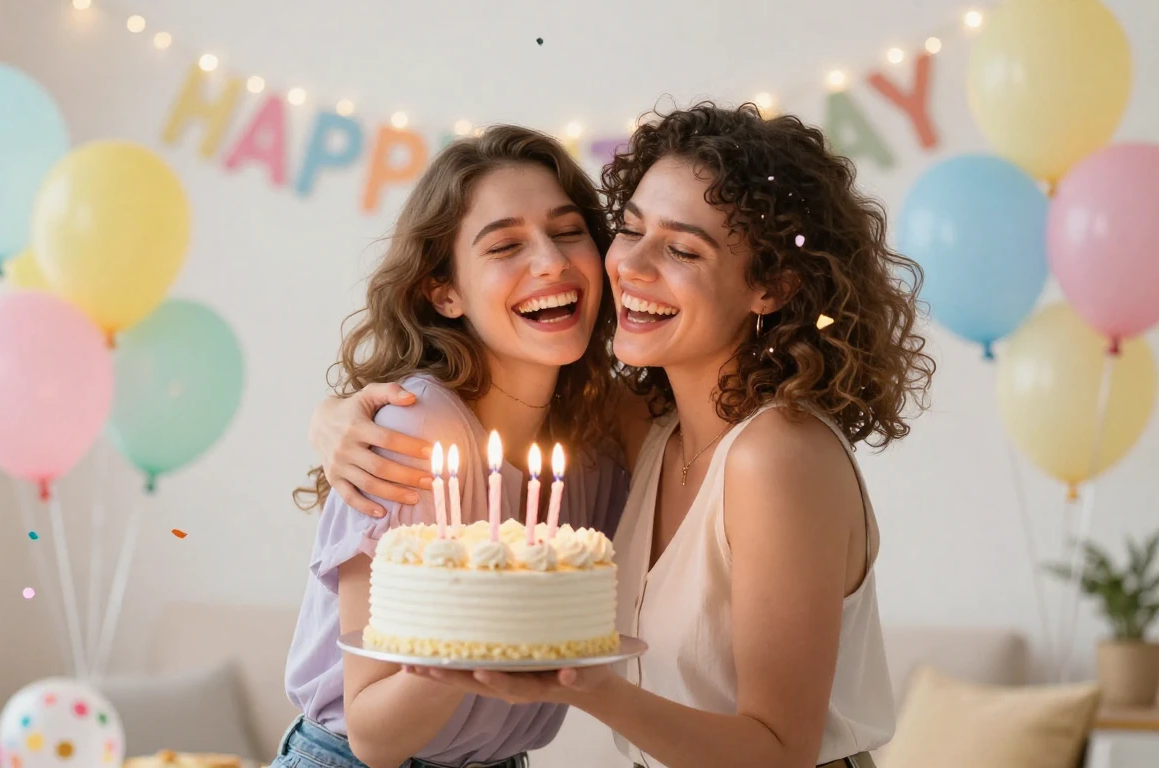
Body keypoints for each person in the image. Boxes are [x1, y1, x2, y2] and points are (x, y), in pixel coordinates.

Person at [308, 102, 935, 768]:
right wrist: (333, 415)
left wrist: (588, 683)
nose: (629, 265)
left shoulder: (775, 456)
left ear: (772, 286)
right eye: (629, 230)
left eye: (682, 248)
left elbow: (780, 751)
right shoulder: (646, 433)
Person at [279, 124, 630, 768]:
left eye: (568, 230)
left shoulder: (602, 445)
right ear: (445, 292)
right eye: (505, 245)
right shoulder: (414, 430)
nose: (551, 261)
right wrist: (480, 623)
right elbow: (374, 733)